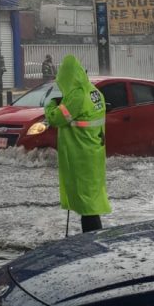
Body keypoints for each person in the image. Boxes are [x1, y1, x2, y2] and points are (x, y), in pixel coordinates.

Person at [43, 55, 110, 233]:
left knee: (86, 204)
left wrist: (49, 105)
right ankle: (93, 239)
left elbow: (56, 119)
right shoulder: (94, 92)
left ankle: (90, 242)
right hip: (93, 150)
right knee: (90, 200)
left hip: (81, 153)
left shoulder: (77, 96)